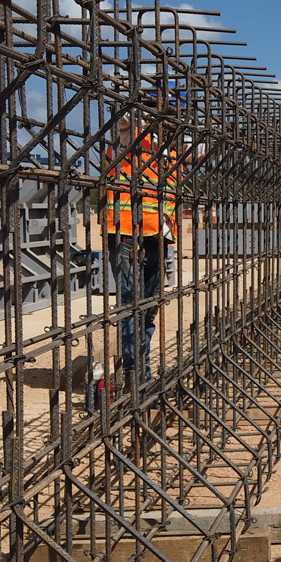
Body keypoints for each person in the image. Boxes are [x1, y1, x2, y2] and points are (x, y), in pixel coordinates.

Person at [104, 116, 178, 383]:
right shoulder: (129, 133)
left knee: (147, 308)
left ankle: (141, 371)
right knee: (130, 305)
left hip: (160, 235)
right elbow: (121, 116)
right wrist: (142, 116)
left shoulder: (170, 147)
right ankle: (134, 374)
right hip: (127, 231)